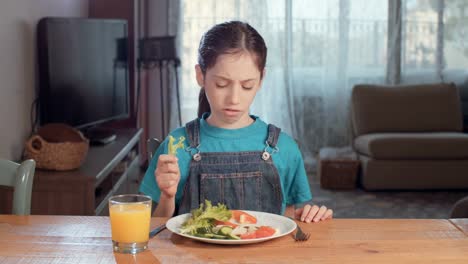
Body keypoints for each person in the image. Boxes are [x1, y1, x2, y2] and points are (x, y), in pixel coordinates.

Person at [140, 21, 333, 223]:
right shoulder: (177, 145)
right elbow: (155, 228)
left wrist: (312, 217)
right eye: (221, 84)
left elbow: (286, 221)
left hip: (264, 256)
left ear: (261, 79)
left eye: (247, 86)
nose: (234, 98)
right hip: (192, 255)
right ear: (201, 76)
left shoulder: (284, 148)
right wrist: (167, 197)